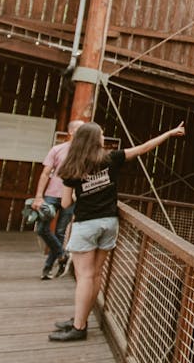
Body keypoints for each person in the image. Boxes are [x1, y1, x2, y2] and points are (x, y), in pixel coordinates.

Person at [49, 121, 185, 342]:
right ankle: (80, 318)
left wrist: (78, 196)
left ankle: (78, 326)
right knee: (96, 274)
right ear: (95, 140)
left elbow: (65, 204)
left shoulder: (71, 167)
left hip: (86, 224)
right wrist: (169, 133)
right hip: (109, 223)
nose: (104, 138)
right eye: (101, 135)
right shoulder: (111, 159)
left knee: (84, 276)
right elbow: (144, 148)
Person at [31, 120, 83, 281]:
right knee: (41, 228)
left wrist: (76, 195)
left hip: (71, 197)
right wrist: (39, 196)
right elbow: (45, 173)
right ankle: (62, 254)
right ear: (72, 132)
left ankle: (47, 269)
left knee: (60, 232)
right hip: (52, 195)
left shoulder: (84, 153)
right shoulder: (57, 149)